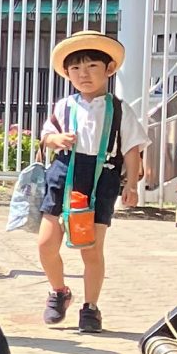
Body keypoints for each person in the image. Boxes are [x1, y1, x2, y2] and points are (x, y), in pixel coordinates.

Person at [38, 31, 145, 333]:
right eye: (75, 69)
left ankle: (91, 308)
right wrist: (56, 138)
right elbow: (46, 136)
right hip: (64, 173)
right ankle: (59, 292)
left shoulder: (121, 110)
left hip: (102, 179)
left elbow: (132, 149)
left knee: (92, 249)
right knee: (46, 243)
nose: (83, 74)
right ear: (67, 73)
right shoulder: (64, 105)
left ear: (109, 69)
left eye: (92, 67)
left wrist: (132, 185)